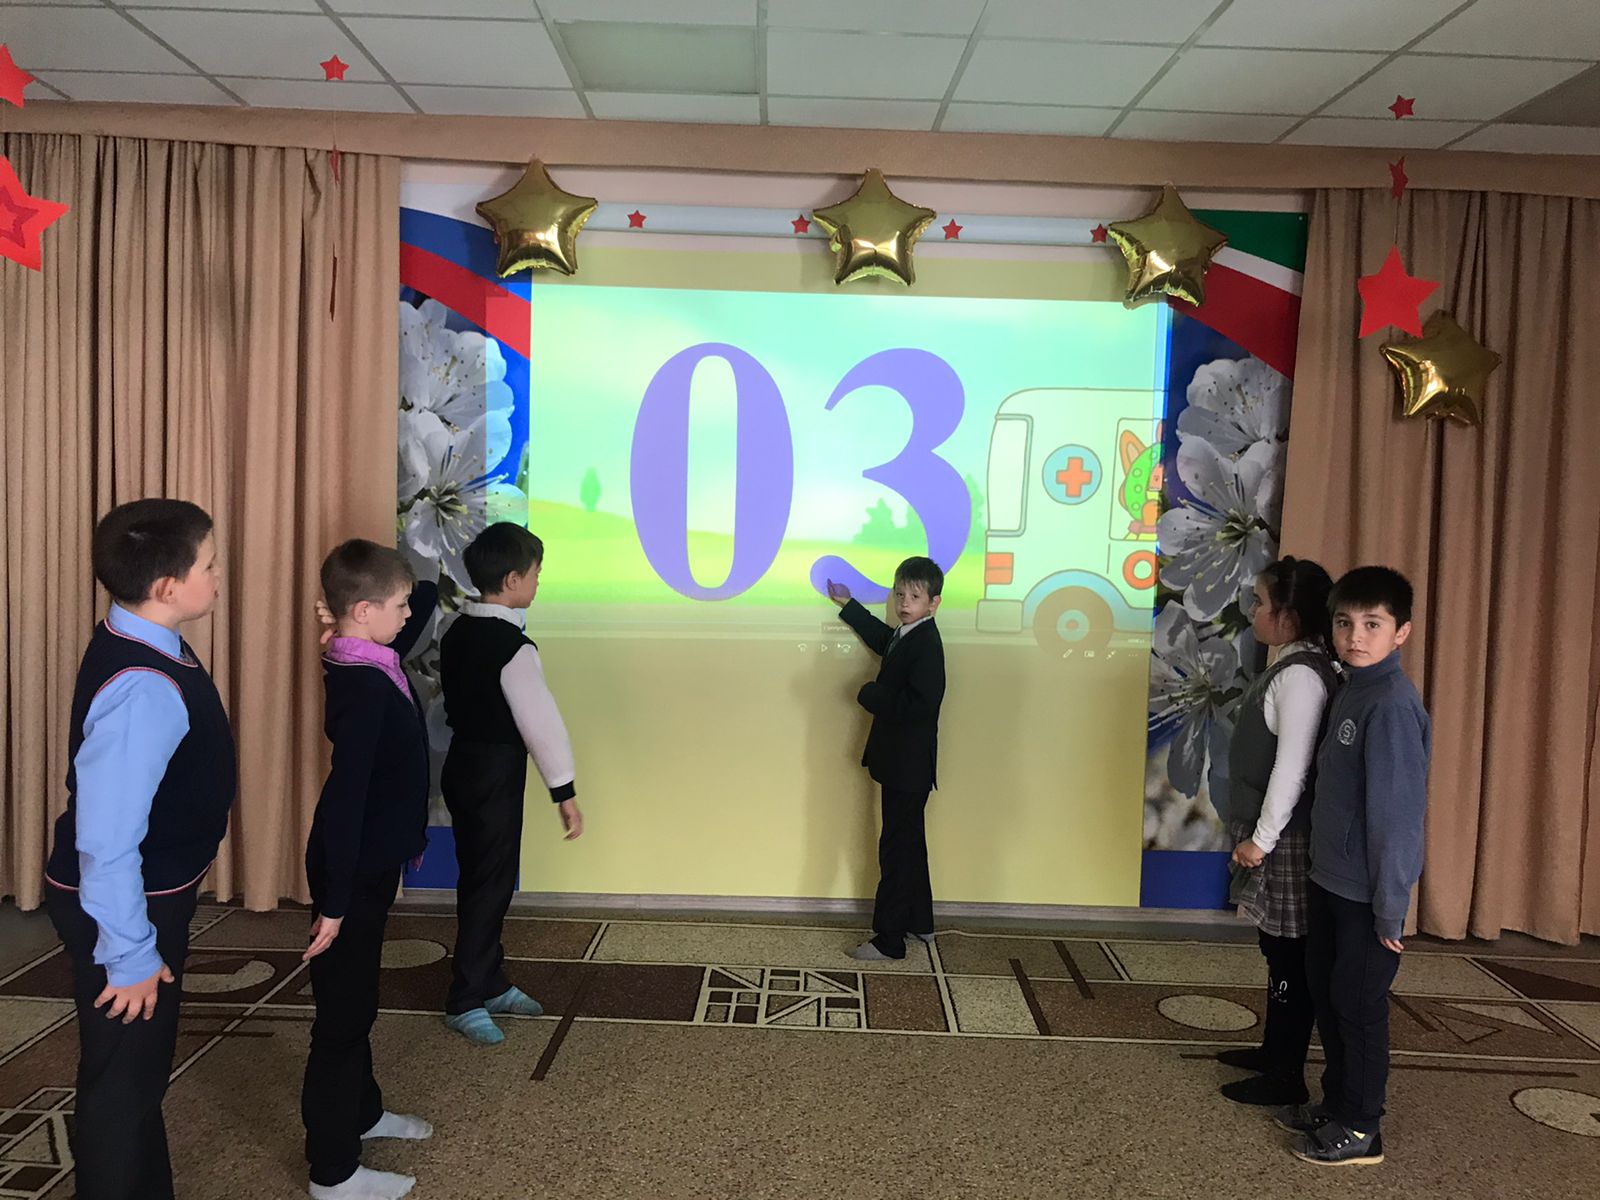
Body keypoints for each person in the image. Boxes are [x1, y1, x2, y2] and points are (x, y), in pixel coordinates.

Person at [43, 499, 234, 1200]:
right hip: (124, 908)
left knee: (138, 1072)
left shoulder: (148, 636)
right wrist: (128, 954)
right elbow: (106, 840)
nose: (218, 575)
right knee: (123, 1083)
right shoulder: (144, 689)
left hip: (142, 895)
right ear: (167, 587)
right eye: (210, 565)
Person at [301, 540, 438, 1200]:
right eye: (398, 605)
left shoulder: (371, 655)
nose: (410, 615)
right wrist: (333, 902)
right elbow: (348, 797)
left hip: (369, 863)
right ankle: (332, 1171)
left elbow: (426, 595)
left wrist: (366, 601)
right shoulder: (359, 682)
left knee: (358, 1002)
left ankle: (363, 1111)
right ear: (363, 610)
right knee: (342, 1016)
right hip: (348, 869)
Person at [1282, 566, 1431, 1167]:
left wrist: (1391, 907)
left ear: (1401, 633)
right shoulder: (1353, 687)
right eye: (1345, 623)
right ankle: (1337, 1104)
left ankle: (1363, 1126)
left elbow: (1397, 816)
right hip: (1330, 879)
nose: (1355, 636)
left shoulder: (1390, 704)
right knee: (1329, 993)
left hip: (1366, 894)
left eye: (1373, 625)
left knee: (1359, 1007)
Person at [438, 523, 583, 1045]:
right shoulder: (513, 646)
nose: (539, 583)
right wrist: (564, 793)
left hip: (463, 765)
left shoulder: (456, 629)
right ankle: (465, 997)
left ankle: (491, 980)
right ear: (514, 579)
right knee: (489, 884)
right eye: (537, 574)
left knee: (484, 877)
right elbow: (541, 725)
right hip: (494, 771)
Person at [1217, 557, 1338, 1108]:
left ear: (1289, 616)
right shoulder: (1289, 667)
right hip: (1275, 834)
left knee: (1289, 951)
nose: (1253, 612)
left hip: (1286, 838)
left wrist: (1261, 841)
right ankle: (1273, 1052)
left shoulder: (1301, 677)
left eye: (1261, 603)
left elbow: (1292, 771)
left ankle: (1286, 1072)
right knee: (1276, 946)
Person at [826, 557, 947, 962]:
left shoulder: (927, 645)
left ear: (933, 603)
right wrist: (848, 605)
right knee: (909, 842)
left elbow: (920, 706)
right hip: (902, 764)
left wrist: (871, 695)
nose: (904, 602)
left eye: (914, 596)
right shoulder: (908, 634)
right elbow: (883, 639)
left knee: (896, 848)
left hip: (908, 766)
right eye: (899, 594)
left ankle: (889, 940)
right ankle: (920, 921)